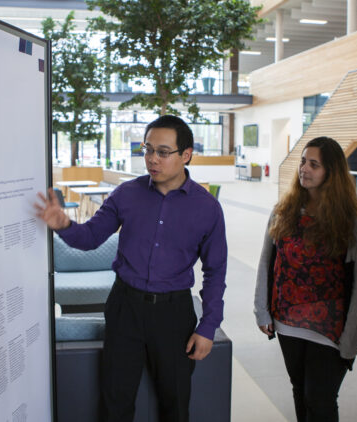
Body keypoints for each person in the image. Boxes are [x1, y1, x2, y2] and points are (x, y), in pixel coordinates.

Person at [35, 115, 227, 422]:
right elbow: (91, 237)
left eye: (163, 152)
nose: (151, 159)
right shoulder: (127, 194)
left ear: (186, 155)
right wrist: (64, 224)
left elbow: (215, 271)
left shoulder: (207, 208)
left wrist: (208, 326)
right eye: (147, 149)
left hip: (174, 314)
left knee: (175, 404)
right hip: (125, 308)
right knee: (115, 401)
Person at [254, 137, 357, 422]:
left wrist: (353, 337)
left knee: (319, 400)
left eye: (314, 164)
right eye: (303, 162)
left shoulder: (353, 219)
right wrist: (262, 309)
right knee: (300, 392)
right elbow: (267, 262)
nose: (304, 169)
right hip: (287, 323)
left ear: (331, 172)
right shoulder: (284, 210)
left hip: (331, 330)